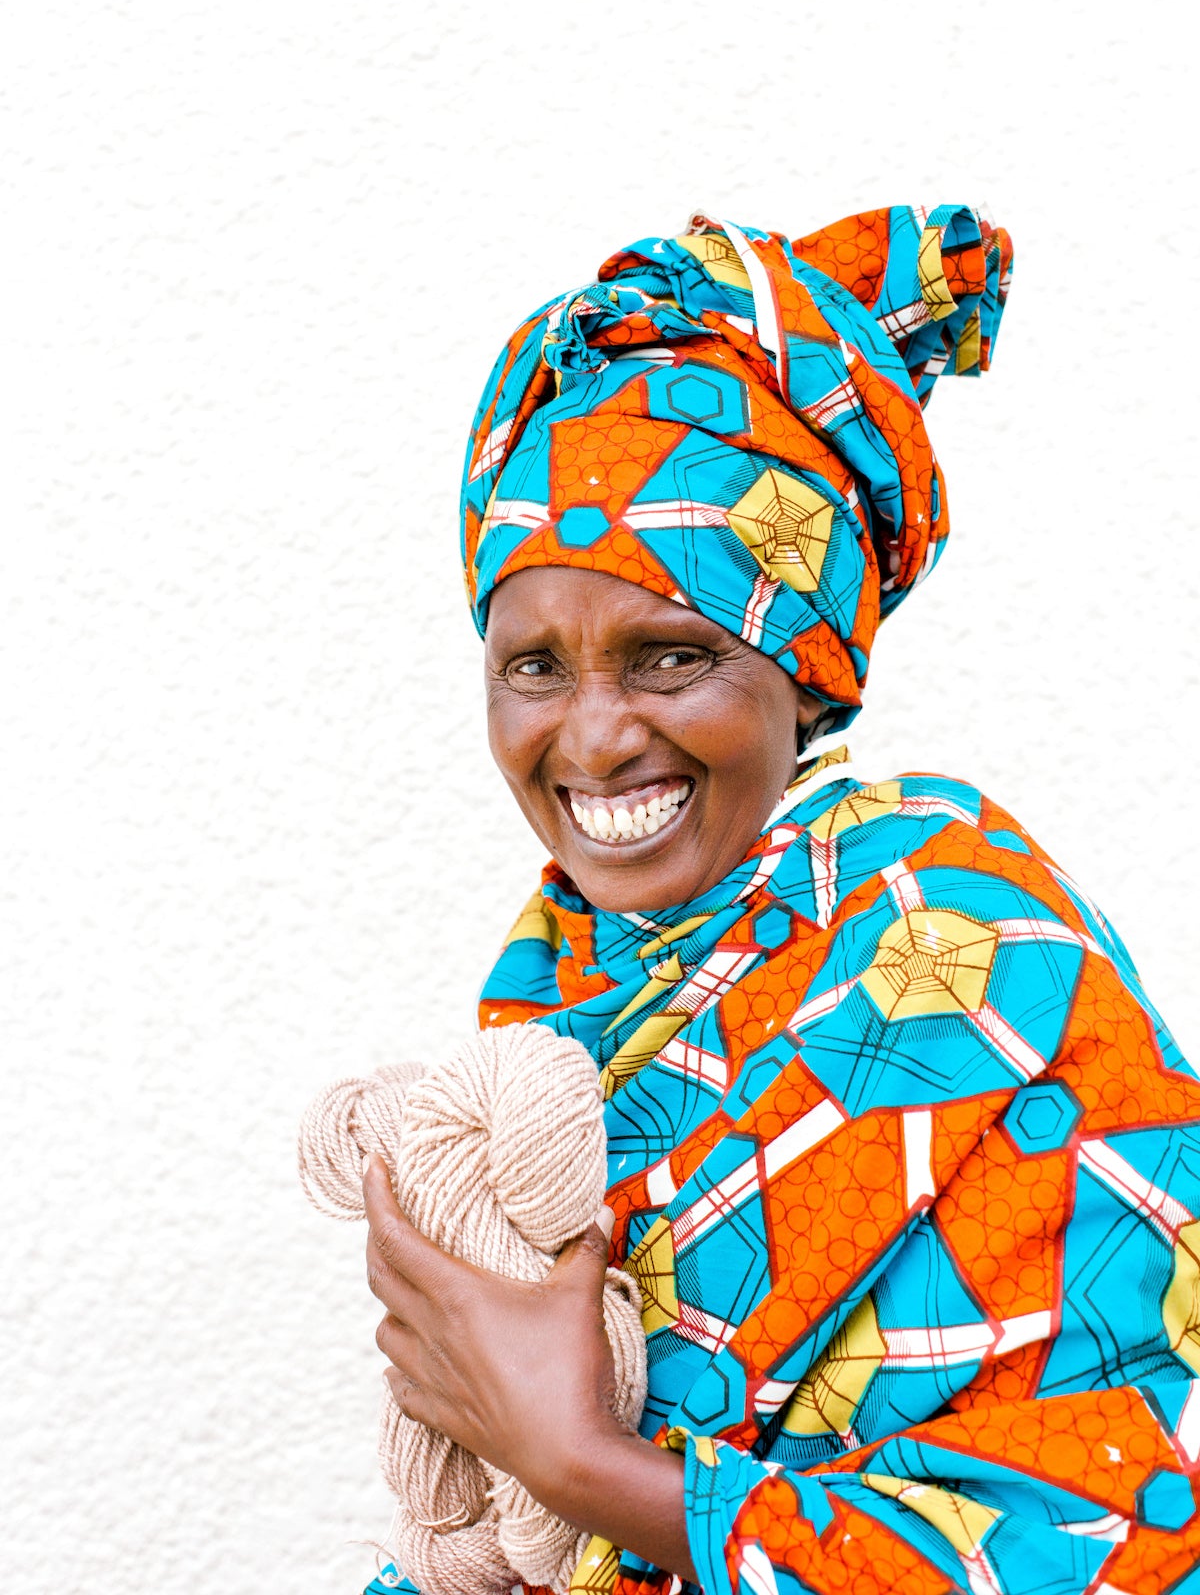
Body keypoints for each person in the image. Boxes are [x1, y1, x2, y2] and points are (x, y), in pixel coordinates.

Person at [360, 208, 1200, 1595]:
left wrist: (586, 1467)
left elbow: (1131, 1511)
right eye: (533, 666)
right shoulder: (566, 983)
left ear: (803, 676)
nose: (591, 738)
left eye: (671, 654)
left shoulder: (964, 948)